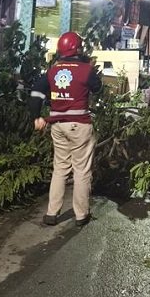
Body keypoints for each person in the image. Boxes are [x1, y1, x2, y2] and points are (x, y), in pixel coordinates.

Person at [30, 31, 102, 228]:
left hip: (57, 125)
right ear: (78, 48)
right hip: (79, 125)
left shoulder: (53, 71)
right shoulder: (86, 70)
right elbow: (98, 88)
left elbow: (36, 91)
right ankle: (81, 215)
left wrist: (36, 116)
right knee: (81, 170)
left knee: (60, 169)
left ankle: (52, 213)